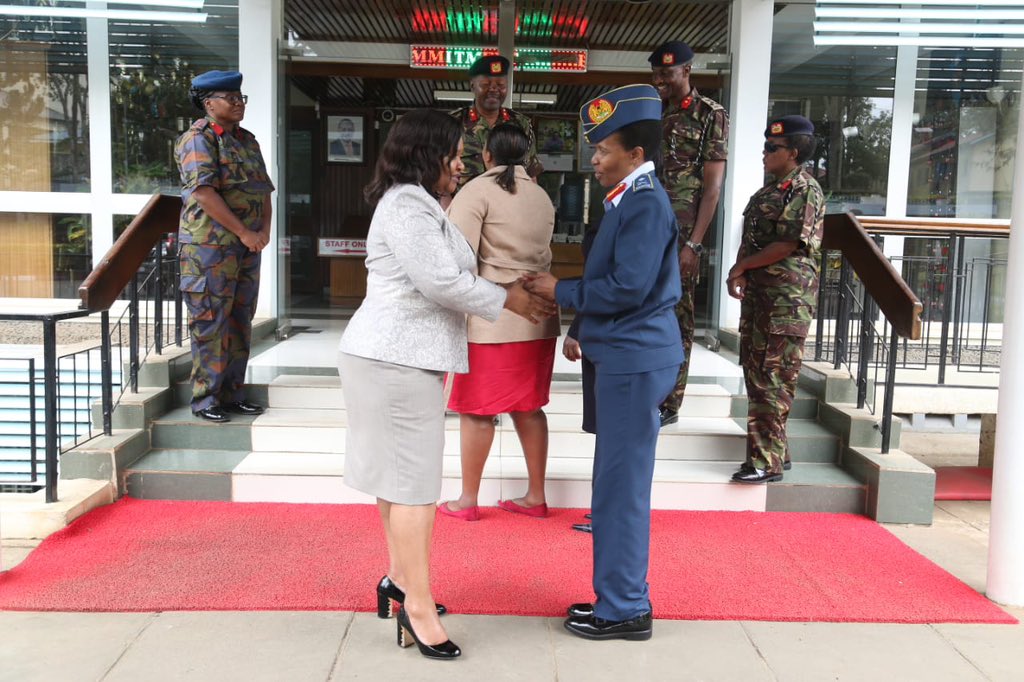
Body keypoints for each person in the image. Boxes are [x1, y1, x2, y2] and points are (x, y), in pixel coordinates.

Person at [337, 109, 555, 660]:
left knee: (399, 483)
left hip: (397, 359)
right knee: (414, 488)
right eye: (453, 155)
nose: (460, 165)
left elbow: (453, 274)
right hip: (393, 361)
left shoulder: (420, 204)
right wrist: (508, 298)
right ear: (425, 154)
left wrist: (503, 293)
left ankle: (397, 579)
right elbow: (440, 281)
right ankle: (418, 605)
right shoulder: (408, 206)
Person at [525, 84, 683, 641]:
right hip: (624, 354)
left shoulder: (644, 202)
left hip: (635, 358)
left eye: (603, 149)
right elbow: (615, 283)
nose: (594, 159)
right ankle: (617, 597)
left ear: (636, 155)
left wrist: (560, 291)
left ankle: (625, 607)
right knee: (616, 483)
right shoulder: (630, 198)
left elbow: (628, 287)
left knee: (620, 488)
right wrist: (582, 324)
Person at [439, 123, 561, 521]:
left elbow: (458, 260)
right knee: (528, 408)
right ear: (525, 157)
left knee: (477, 411)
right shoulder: (542, 196)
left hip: (494, 321)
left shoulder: (475, 192)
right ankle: (536, 496)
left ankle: (467, 500)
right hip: (539, 320)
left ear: (486, 155)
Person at [726, 115, 826, 484]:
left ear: (794, 152)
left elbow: (787, 244)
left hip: (787, 301)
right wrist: (741, 272)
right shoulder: (770, 191)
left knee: (774, 377)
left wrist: (742, 267)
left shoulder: (804, 189)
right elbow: (752, 238)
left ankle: (765, 462)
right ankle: (776, 453)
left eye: (773, 148)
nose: (765, 153)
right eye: (766, 145)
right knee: (757, 372)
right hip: (763, 297)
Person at [174, 70, 273, 423]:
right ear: (207, 103)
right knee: (210, 322)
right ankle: (206, 399)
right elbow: (203, 193)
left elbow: (264, 190)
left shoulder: (247, 140)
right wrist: (244, 233)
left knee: (239, 320)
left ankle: (232, 394)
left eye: (240, 97)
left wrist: (263, 230)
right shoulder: (198, 140)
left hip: (246, 248)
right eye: (229, 98)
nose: (237, 103)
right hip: (209, 250)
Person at [649, 40, 729, 427]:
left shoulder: (709, 115)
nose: (662, 79)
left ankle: (670, 400)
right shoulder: (651, 112)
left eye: (669, 72)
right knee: (644, 308)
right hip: (646, 227)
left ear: (687, 71)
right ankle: (648, 389)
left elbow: (712, 188)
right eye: (658, 74)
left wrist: (695, 244)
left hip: (682, 235)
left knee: (677, 318)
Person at [449, 55, 543, 188]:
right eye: (486, 84)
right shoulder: (452, 123)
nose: (494, 89)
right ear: (472, 86)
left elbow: (531, 174)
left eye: (501, 85)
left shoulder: (521, 124)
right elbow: (440, 174)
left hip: (507, 206)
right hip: (465, 206)